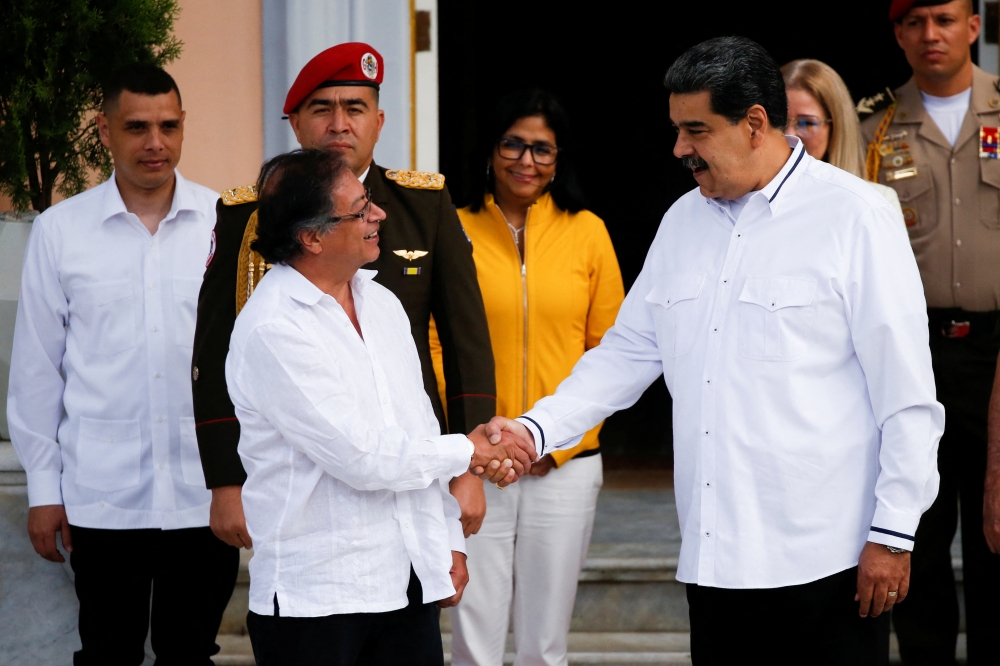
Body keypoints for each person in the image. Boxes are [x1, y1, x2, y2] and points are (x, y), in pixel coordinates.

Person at [487, 37, 944, 665]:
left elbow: (907, 397)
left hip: (828, 561)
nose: (679, 149)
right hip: (716, 558)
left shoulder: (856, 215)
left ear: (755, 122)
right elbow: (624, 356)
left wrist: (893, 535)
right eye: (676, 130)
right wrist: (534, 431)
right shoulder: (682, 222)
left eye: (695, 130)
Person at [226, 149, 532, 665]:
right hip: (317, 601)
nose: (379, 215)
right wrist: (472, 451)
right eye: (360, 208)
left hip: (406, 584)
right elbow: (362, 458)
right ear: (313, 236)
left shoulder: (382, 302)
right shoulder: (275, 329)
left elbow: (416, 428)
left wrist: (448, 538)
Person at [192, 42, 495, 556]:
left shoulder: (422, 204)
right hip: (298, 474)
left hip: (411, 459)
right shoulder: (249, 213)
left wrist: (468, 471)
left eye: (354, 109)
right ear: (293, 123)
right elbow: (214, 350)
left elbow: (466, 344)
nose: (338, 124)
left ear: (378, 121)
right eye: (321, 109)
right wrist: (225, 479)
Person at [6, 64, 237, 664]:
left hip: (203, 492)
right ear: (104, 131)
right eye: (136, 127)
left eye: (167, 126)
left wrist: (241, 481)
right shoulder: (61, 231)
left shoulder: (227, 223)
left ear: (184, 127)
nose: (154, 142)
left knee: (191, 654)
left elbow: (248, 363)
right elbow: (37, 369)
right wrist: (43, 489)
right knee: (106, 653)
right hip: (101, 496)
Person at [435, 90, 625, 666]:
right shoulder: (453, 226)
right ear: (491, 151)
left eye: (542, 148)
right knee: (474, 636)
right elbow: (432, 341)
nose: (526, 160)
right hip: (476, 459)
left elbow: (611, 349)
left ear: (559, 158)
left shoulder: (588, 231)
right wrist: (483, 442)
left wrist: (551, 438)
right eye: (513, 143)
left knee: (546, 643)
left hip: (564, 464)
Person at [859, 2, 1000, 663]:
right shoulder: (872, 125)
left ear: (973, 26)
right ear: (897, 32)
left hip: (999, 358)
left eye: (944, 19)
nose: (930, 34)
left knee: (998, 533)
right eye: (914, 21)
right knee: (915, 527)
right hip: (913, 355)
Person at [781, 59, 903, 214]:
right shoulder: (746, 201)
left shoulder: (876, 202)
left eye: (807, 123)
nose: (789, 134)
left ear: (835, 128)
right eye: (779, 120)